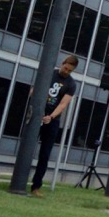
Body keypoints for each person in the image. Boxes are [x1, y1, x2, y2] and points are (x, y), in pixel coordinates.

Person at [30, 54, 78, 197]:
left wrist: (51, 116)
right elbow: (33, 92)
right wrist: (40, 111)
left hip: (52, 120)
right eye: (65, 68)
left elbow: (63, 104)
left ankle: (36, 186)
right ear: (62, 63)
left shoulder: (71, 84)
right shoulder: (48, 74)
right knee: (27, 147)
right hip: (36, 115)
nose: (66, 72)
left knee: (44, 154)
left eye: (70, 70)